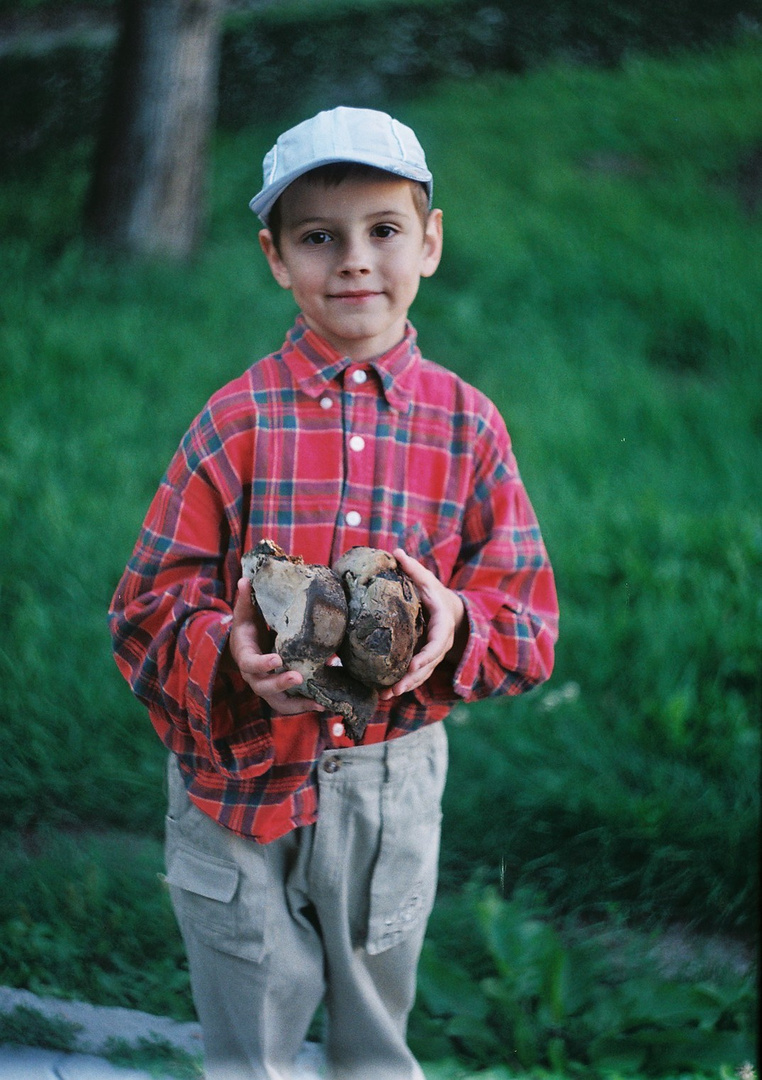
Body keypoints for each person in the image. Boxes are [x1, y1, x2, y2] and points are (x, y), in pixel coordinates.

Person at [108, 105, 559, 1080]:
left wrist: (454, 621)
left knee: (374, 1051)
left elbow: (529, 627)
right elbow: (142, 610)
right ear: (276, 257)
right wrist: (225, 655)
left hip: (389, 789)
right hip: (236, 780)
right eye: (320, 236)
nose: (355, 260)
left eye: (384, 229)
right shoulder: (236, 423)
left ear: (430, 242)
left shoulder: (468, 431)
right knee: (250, 1054)